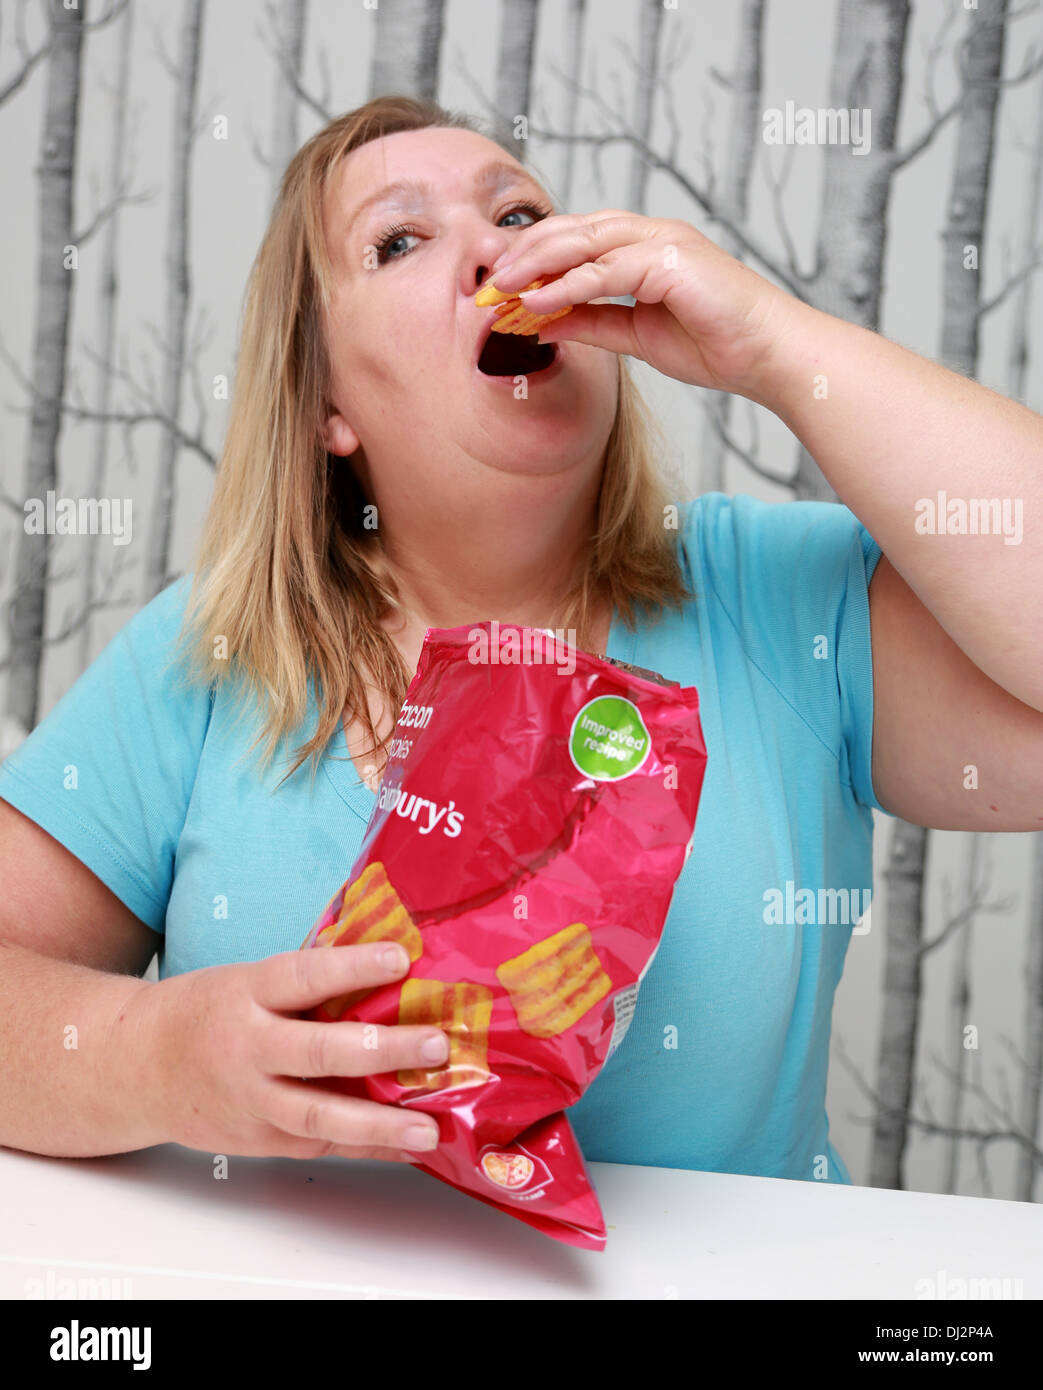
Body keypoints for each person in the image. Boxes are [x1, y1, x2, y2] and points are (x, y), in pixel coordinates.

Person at [1, 96, 1041, 1185]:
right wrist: (160, 1056)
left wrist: (774, 346)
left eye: (519, 212)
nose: (496, 250)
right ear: (327, 407)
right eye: (398, 240)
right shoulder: (211, 650)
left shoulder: (779, 605)